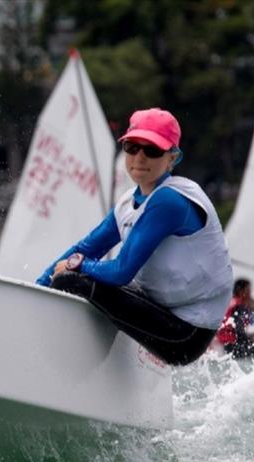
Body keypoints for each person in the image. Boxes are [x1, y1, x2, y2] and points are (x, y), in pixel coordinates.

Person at [35, 108, 233, 366]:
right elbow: (87, 247)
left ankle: (61, 364)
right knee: (69, 277)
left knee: (73, 280)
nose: (139, 157)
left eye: (152, 150)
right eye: (132, 147)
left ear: (172, 158)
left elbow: (121, 272)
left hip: (186, 335)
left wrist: (78, 265)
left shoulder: (170, 200)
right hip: (160, 311)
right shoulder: (128, 203)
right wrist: (37, 287)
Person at [216, 278, 254, 358]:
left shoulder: (230, 302)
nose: (250, 293)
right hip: (235, 348)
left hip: (227, 347)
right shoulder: (239, 306)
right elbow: (239, 331)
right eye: (248, 290)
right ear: (241, 291)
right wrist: (252, 340)